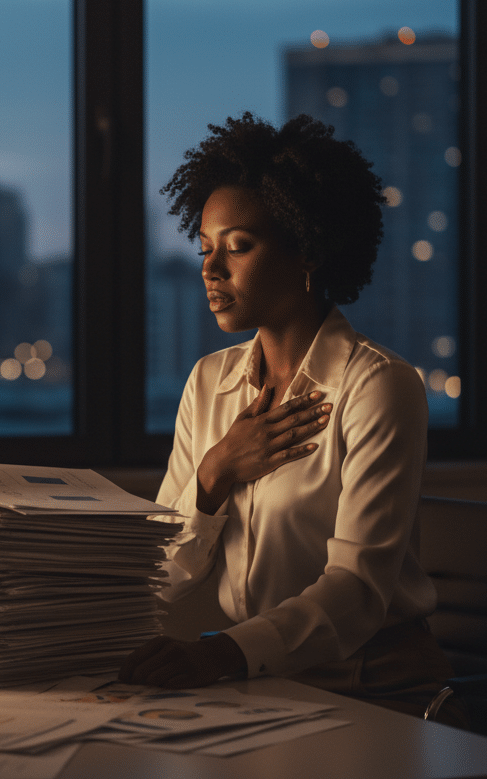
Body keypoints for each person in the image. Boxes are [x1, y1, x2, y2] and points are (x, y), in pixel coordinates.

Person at [119, 113, 459, 721]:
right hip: (262, 690)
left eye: (238, 246)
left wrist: (219, 654)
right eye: (205, 248)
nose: (210, 268)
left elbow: (356, 593)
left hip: (376, 693)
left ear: (306, 246)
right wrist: (215, 473)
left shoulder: (378, 386)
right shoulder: (208, 383)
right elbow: (162, 573)